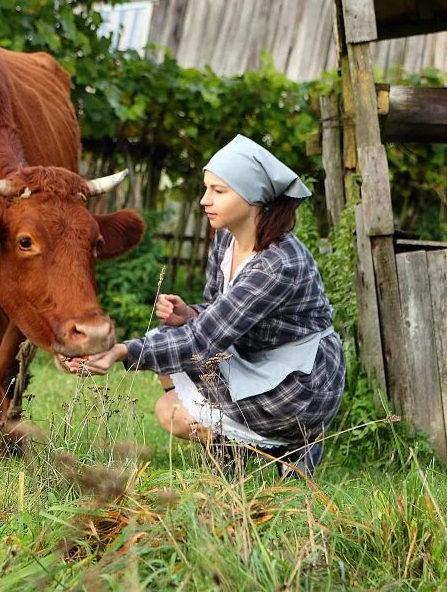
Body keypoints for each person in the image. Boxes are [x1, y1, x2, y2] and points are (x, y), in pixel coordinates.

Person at [63, 134, 345, 478]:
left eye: (218, 191)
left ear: (252, 196)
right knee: (167, 337)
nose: (203, 200)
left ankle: (292, 445)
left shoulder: (278, 264)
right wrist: (192, 314)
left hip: (299, 382)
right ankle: (233, 457)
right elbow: (218, 311)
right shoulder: (227, 238)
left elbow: (201, 343)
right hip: (256, 358)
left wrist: (120, 351)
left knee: (171, 410)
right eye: (206, 188)